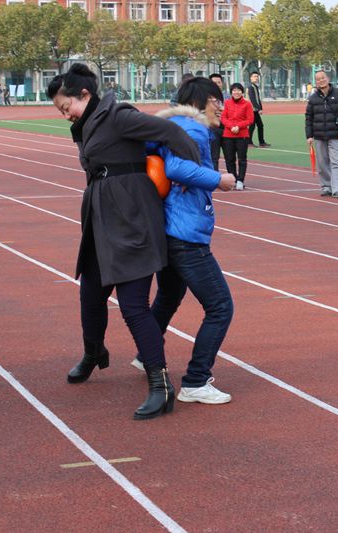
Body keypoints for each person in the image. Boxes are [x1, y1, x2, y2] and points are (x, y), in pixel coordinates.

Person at [47, 63, 200, 421]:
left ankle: (160, 384)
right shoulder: (85, 125)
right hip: (101, 220)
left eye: (66, 106)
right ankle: (94, 352)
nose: (65, 114)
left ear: (84, 94)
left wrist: (190, 174)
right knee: (90, 296)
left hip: (132, 220)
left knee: (133, 306)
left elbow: (170, 131)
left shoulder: (118, 116)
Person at [142, 77, 236, 404]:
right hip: (185, 234)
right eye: (217, 100)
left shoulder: (172, 127)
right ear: (200, 102)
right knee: (220, 307)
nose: (221, 107)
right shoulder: (194, 129)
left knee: (169, 293)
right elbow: (176, 168)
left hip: (168, 229)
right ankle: (196, 380)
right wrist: (218, 179)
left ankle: (146, 355)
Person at [305, 69, 338, 199]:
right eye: (318, 79)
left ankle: (337, 189)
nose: (321, 80)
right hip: (319, 135)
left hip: (335, 134)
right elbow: (308, 118)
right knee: (322, 163)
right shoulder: (313, 98)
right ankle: (326, 187)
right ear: (316, 82)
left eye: (323, 77)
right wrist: (309, 135)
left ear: (328, 78)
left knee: (336, 162)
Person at [221, 82, 253, 191]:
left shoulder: (247, 104)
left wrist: (238, 126)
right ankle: (233, 179)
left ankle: (240, 180)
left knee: (242, 159)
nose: (236, 92)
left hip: (242, 135)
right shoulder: (227, 103)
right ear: (231, 92)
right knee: (229, 159)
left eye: (238, 90)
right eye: (234, 90)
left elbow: (250, 119)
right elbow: (223, 118)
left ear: (242, 92)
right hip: (228, 135)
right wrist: (231, 126)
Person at [208, 73, 226, 171]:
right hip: (212, 129)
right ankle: (214, 177)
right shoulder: (205, 98)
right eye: (214, 82)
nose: (217, 84)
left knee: (230, 157)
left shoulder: (227, 96)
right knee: (214, 157)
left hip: (227, 129)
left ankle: (234, 177)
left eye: (219, 82)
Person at [247, 71, 270, 147]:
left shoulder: (255, 86)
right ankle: (249, 142)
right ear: (250, 78)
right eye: (254, 76)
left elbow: (258, 99)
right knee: (253, 126)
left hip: (255, 110)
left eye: (257, 76)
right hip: (251, 110)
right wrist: (258, 108)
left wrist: (260, 107)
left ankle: (261, 142)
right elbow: (252, 99)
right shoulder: (250, 87)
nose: (256, 78)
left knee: (259, 125)